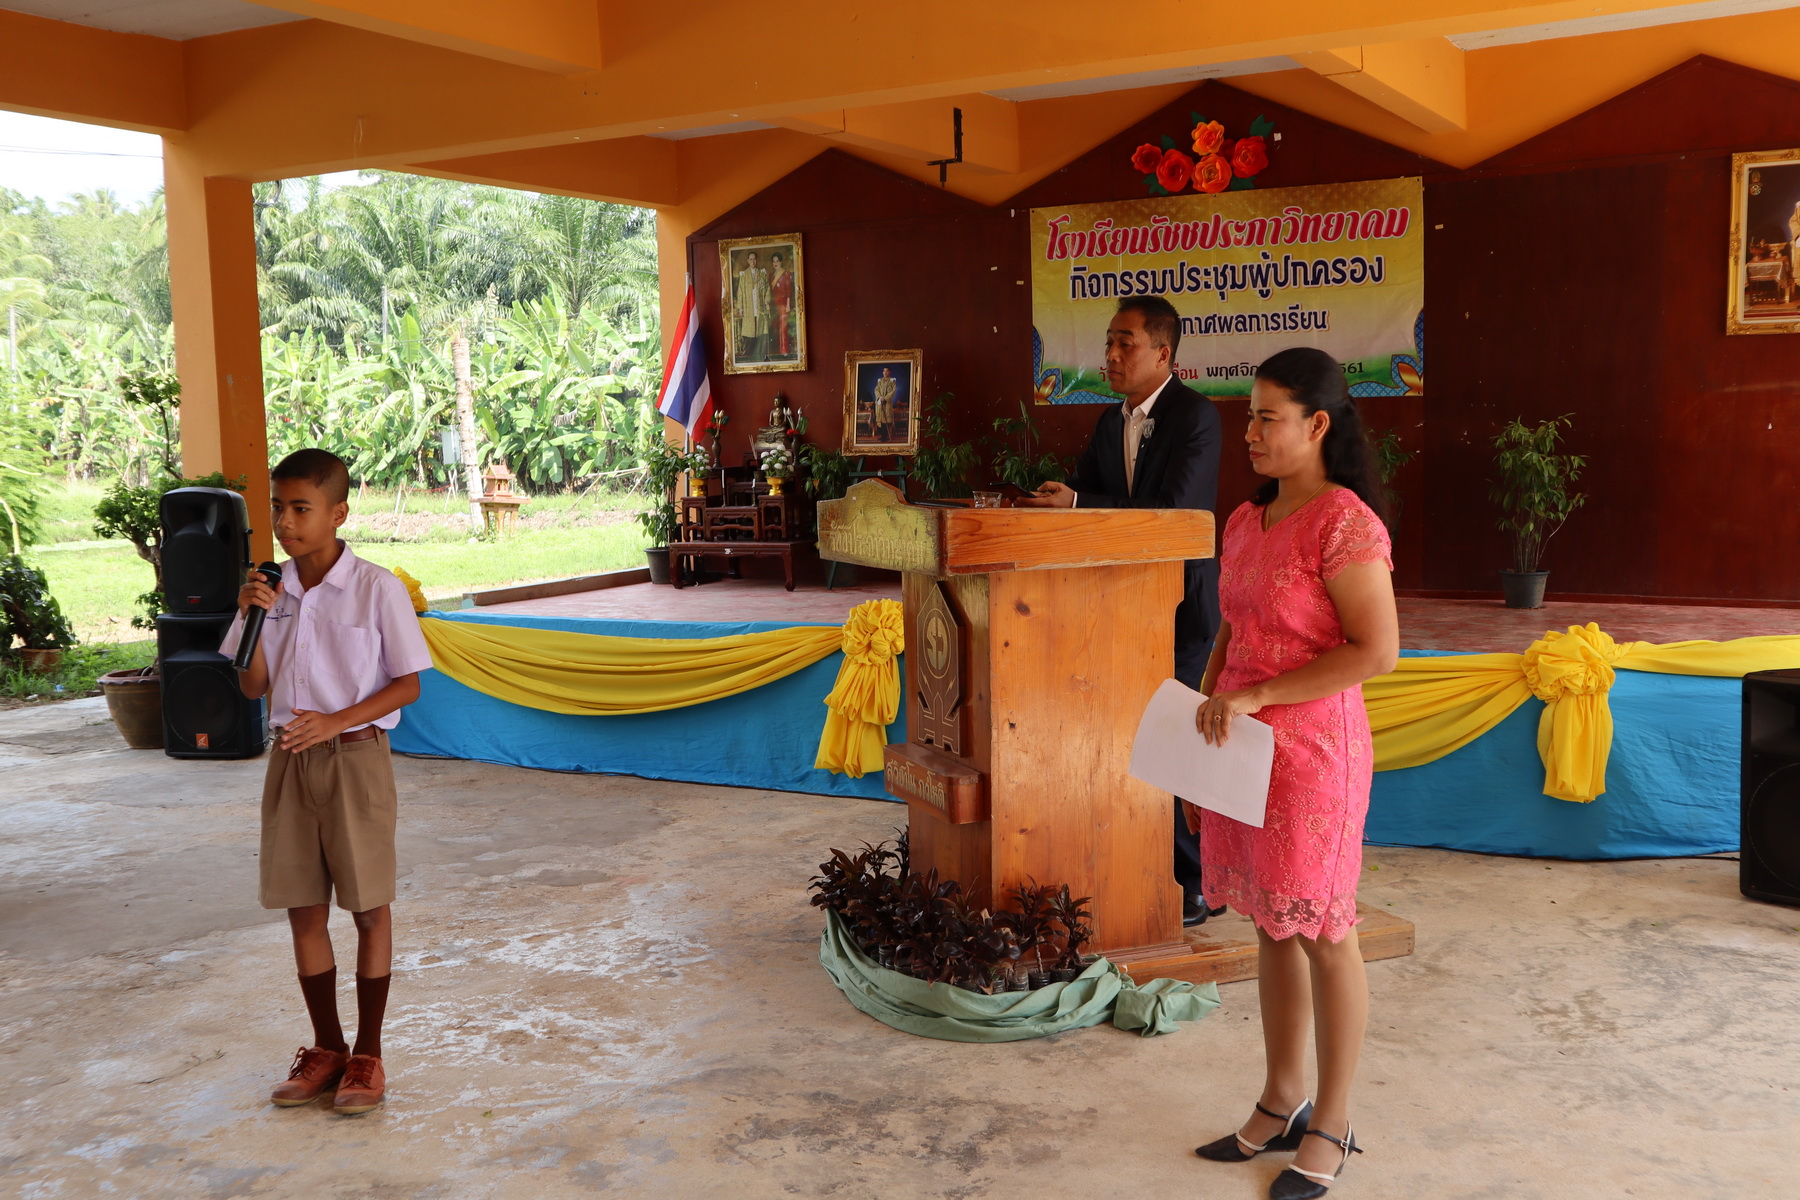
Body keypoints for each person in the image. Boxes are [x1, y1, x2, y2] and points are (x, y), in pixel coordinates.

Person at [1188, 347, 1398, 1199]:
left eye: (1266, 417)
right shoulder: (1247, 518)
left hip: (1314, 756)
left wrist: (1259, 695)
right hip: (1243, 750)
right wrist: (1205, 728)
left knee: (1324, 931)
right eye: (1248, 416)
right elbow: (1231, 631)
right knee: (1272, 927)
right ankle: (1281, 1099)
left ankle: (1333, 1122)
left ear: (1316, 425)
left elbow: (1376, 650)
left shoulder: (1345, 522)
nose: (1250, 431)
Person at [221, 448, 435, 1116]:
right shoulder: (269, 590)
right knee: (303, 908)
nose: (285, 522)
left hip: (355, 758)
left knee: (369, 908)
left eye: (300, 508)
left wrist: (337, 719)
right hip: (291, 761)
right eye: (277, 508)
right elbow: (251, 685)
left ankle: (367, 1054)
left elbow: (408, 683)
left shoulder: (376, 589)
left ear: (338, 513)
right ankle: (327, 1047)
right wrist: (249, 615)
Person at [1019, 294, 1222, 926]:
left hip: (1181, 609)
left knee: (1177, 742)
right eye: (1107, 341)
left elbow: (1175, 511)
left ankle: (1195, 883)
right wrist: (1049, 506)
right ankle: (1136, 862)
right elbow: (1087, 493)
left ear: (1163, 353)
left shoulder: (1197, 416)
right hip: (1117, 612)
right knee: (1128, 741)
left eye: (1124, 343)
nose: (1109, 354)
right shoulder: (1111, 422)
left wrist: (1079, 505)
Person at [734, 250, 772, 363]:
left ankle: (761, 355)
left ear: (757, 260)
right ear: (748, 261)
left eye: (754, 259)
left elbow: (767, 289)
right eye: (750, 259)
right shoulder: (744, 275)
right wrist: (740, 308)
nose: (753, 261)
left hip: (760, 307)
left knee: (761, 331)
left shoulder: (762, 273)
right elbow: (740, 292)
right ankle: (751, 357)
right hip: (749, 307)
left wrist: (766, 302)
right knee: (750, 331)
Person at [770, 252, 794, 357]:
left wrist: (788, 305)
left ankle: (784, 351)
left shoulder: (785, 274)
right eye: (774, 261)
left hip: (784, 305)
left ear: (781, 262)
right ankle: (776, 352)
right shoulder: (771, 276)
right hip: (774, 305)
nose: (776, 263)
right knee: (775, 328)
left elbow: (789, 291)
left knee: (783, 328)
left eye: (777, 261)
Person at [872, 367, 899, 441]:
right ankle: (882, 436)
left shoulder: (892, 381)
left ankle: (885, 436)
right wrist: (880, 397)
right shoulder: (880, 381)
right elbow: (876, 390)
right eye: (884, 371)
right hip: (880, 402)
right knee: (880, 419)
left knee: (886, 419)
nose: (885, 372)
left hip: (887, 403)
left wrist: (885, 398)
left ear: (889, 372)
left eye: (887, 371)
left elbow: (893, 391)